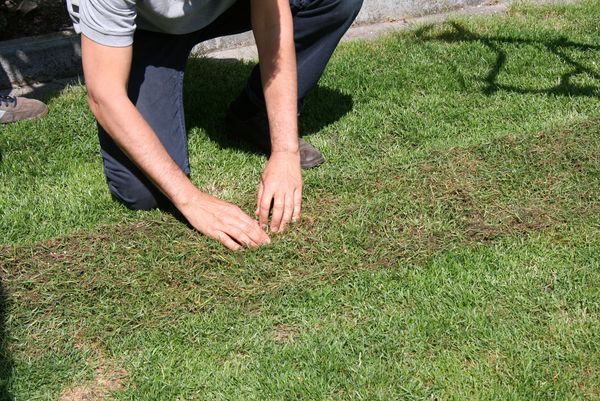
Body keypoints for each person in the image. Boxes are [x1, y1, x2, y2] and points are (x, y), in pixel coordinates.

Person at [66, 0, 363, 250]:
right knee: (143, 191)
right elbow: (105, 94)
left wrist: (285, 151)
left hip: (225, 9)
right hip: (144, 29)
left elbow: (272, 22)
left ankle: (253, 113)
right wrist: (191, 200)